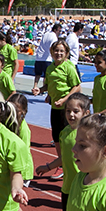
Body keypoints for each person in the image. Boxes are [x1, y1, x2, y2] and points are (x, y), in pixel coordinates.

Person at [35, 93, 91, 211]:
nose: (71, 115)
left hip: (85, 189)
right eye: (68, 111)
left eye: (76, 111)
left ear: (86, 113)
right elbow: (65, 156)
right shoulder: (65, 132)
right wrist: (49, 166)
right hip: (68, 189)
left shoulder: (89, 135)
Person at [31, 39, 82, 180]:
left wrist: (64, 100)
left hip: (66, 108)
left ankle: (71, 163)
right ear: (52, 52)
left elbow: (77, 86)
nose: (58, 53)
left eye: (61, 51)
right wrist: (41, 90)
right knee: (57, 138)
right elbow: (48, 85)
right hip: (55, 107)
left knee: (68, 137)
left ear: (66, 53)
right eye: (56, 51)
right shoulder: (50, 68)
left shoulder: (69, 67)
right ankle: (62, 163)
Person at [33, 23, 60, 90]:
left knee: (37, 74)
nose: (59, 32)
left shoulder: (46, 34)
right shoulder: (54, 37)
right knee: (46, 75)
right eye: (59, 31)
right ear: (55, 30)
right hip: (47, 58)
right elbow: (52, 47)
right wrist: (53, 56)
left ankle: (35, 86)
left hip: (39, 57)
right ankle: (43, 89)